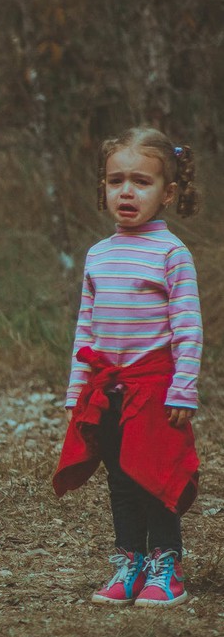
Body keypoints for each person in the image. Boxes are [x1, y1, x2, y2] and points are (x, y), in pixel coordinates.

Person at [52, 126, 203, 608]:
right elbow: (87, 332)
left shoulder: (171, 254)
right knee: (120, 475)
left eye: (142, 182)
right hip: (108, 388)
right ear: (104, 188)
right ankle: (130, 559)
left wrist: (183, 388)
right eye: (116, 181)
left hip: (155, 386)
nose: (127, 192)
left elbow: (187, 329)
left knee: (154, 473)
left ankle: (166, 566)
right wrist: (78, 392)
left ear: (168, 192)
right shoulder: (99, 255)